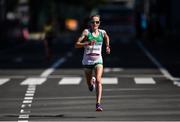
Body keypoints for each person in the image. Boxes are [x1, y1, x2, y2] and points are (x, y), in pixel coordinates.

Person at [75, 14, 110, 111]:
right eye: (93, 22)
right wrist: (87, 43)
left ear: (99, 23)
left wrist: (107, 46)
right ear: (90, 23)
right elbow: (76, 44)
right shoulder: (86, 32)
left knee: (99, 80)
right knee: (90, 86)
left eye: (97, 22)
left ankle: (98, 104)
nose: (95, 24)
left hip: (98, 61)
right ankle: (91, 84)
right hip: (87, 62)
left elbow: (107, 37)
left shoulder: (102, 32)